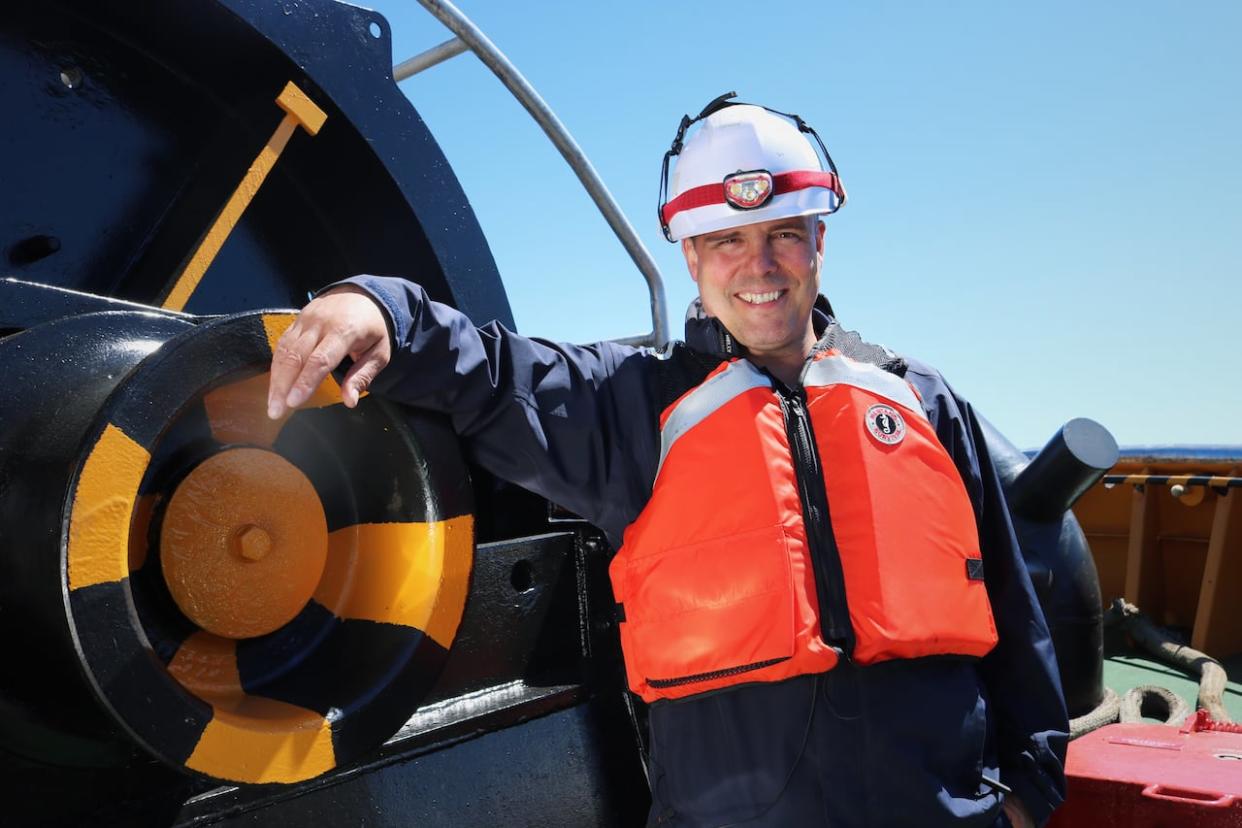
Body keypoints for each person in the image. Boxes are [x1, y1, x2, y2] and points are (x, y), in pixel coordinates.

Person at [267, 94, 1068, 827]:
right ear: (690, 257)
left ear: (819, 238)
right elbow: (488, 372)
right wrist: (377, 307)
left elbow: (1010, 601)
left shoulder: (920, 401)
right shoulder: (627, 408)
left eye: (783, 233)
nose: (759, 266)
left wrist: (1029, 789)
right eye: (727, 241)